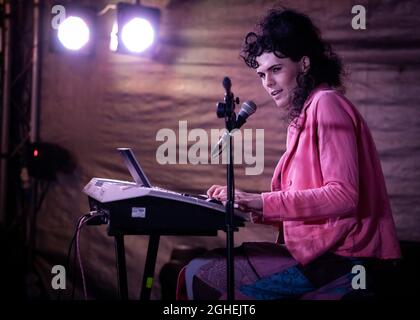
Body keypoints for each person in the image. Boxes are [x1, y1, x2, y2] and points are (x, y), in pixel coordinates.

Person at [177, 8, 401, 300]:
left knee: (222, 292)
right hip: (321, 254)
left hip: (345, 259)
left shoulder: (327, 103)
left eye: (276, 69)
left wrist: (260, 200)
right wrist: (251, 205)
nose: (267, 83)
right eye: (261, 74)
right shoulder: (302, 118)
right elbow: (310, 207)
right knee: (196, 272)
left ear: (304, 64)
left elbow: (344, 196)